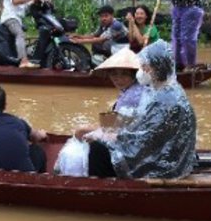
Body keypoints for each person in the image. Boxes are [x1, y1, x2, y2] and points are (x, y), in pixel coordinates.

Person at [75, 40, 197, 179]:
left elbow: (146, 139)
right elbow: (144, 130)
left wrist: (109, 137)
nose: (142, 71)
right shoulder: (165, 92)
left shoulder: (164, 99)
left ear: (156, 68)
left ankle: (102, 188)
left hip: (163, 166)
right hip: (165, 157)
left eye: (145, 67)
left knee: (97, 149)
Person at [1, 0, 46, 68]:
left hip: (19, 18)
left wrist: (42, 0)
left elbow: (28, 3)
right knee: (20, 34)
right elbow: (15, 1)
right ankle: (23, 61)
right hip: (10, 18)